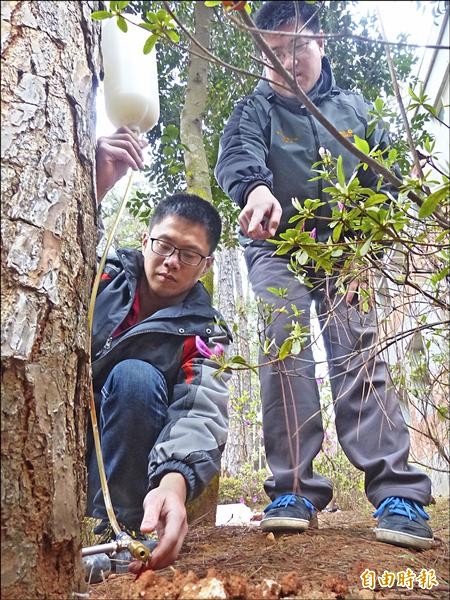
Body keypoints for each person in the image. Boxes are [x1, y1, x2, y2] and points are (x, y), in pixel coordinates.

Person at [215, 1, 433, 549]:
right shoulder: (252, 108)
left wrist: (368, 247)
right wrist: (257, 190)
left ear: (322, 44)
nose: (288, 62)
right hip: (276, 244)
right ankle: (292, 488)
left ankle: (397, 491)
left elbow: (385, 176)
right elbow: (239, 158)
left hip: (346, 248)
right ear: (260, 55)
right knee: (283, 350)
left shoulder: (356, 110)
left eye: (299, 47)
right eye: (275, 51)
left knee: (358, 350)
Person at [87, 127, 231, 570]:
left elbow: (199, 409)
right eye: (163, 245)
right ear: (147, 239)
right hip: (55, 429)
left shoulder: (206, 331)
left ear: (205, 265)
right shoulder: (103, 276)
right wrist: (96, 188)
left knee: (136, 376)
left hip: (129, 458)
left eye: (187, 254)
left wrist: (174, 483)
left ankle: (117, 532)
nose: (170, 261)